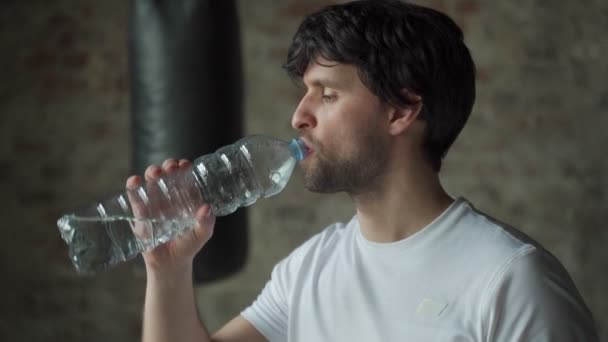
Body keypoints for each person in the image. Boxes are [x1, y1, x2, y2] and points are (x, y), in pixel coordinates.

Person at [132, 1, 599, 341]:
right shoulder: (309, 269)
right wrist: (169, 270)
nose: (298, 116)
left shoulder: (511, 280)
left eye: (327, 95)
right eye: (304, 92)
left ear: (401, 112)